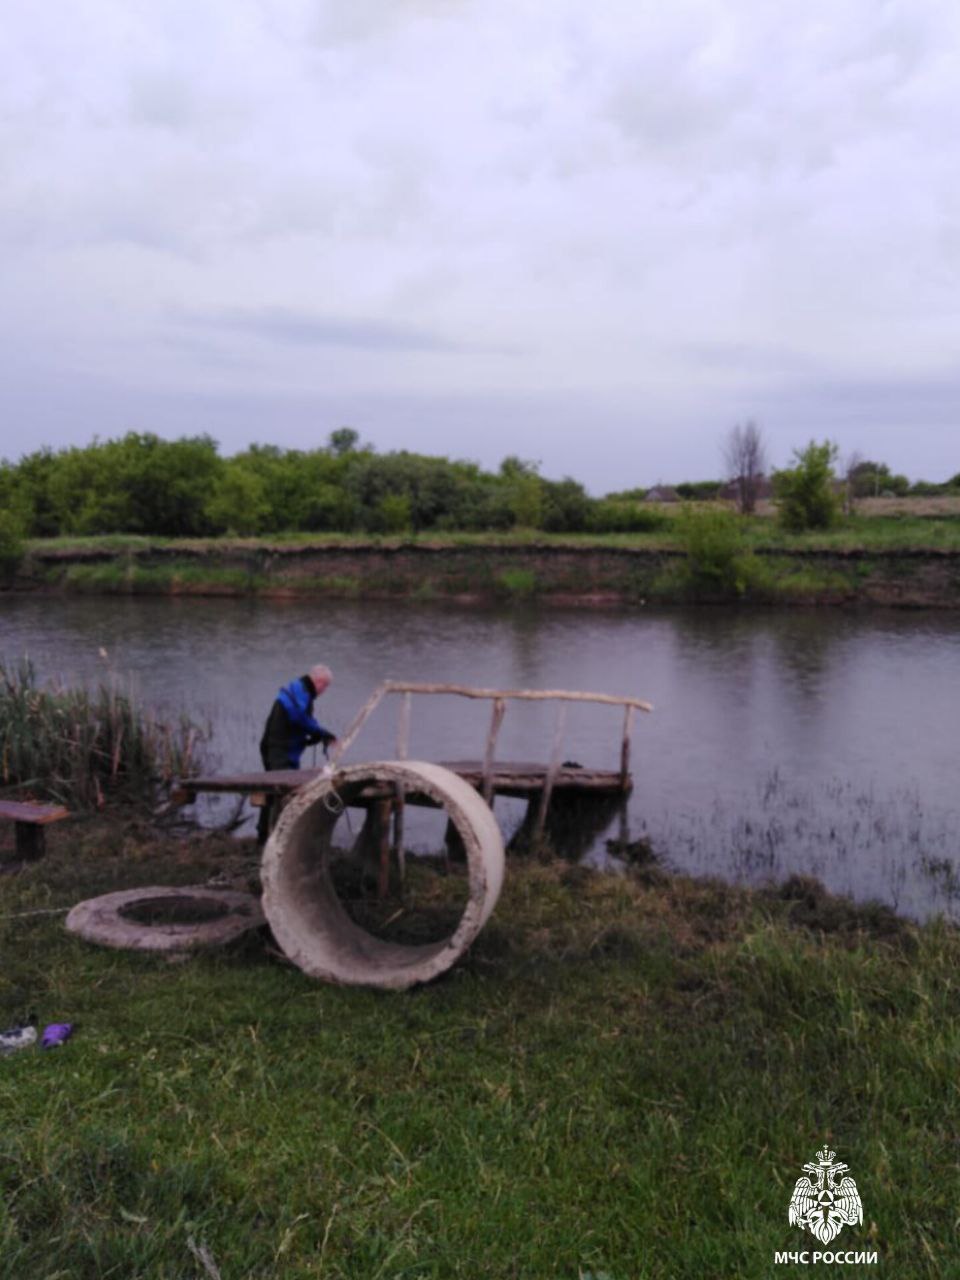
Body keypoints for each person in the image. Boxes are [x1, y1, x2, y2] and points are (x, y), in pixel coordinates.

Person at [257, 664, 336, 843]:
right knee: (279, 792)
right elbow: (298, 717)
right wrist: (321, 732)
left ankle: (267, 836)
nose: (324, 691)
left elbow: (302, 721)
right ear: (320, 682)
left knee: (275, 792)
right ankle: (268, 838)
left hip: (283, 749)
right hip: (277, 749)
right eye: (326, 687)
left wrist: (313, 735)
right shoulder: (300, 691)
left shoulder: (303, 692)